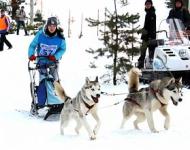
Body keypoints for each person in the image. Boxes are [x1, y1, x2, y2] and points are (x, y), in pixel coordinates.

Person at [28, 16, 66, 118]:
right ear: (47, 25)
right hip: (42, 61)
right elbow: (32, 45)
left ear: (56, 26)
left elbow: (63, 49)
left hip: (53, 61)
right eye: (50, 25)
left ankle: (58, 102)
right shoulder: (41, 34)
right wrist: (31, 54)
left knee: (55, 81)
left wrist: (56, 56)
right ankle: (41, 101)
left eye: (54, 25)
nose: (52, 27)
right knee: (44, 80)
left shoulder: (60, 37)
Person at [137, 0, 156, 69]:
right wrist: (142, 30)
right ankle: (141, 65)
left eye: (149, 4)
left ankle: (150, 66)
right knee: (143, 50)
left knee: (150, 52)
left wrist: (151, 36)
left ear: (151, 5)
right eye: (146, 4)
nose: (147, 5)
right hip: (146, 36)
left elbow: (152, 27)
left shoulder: (152, 13)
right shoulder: (148, 13)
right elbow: (147, 26)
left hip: (150, 37)